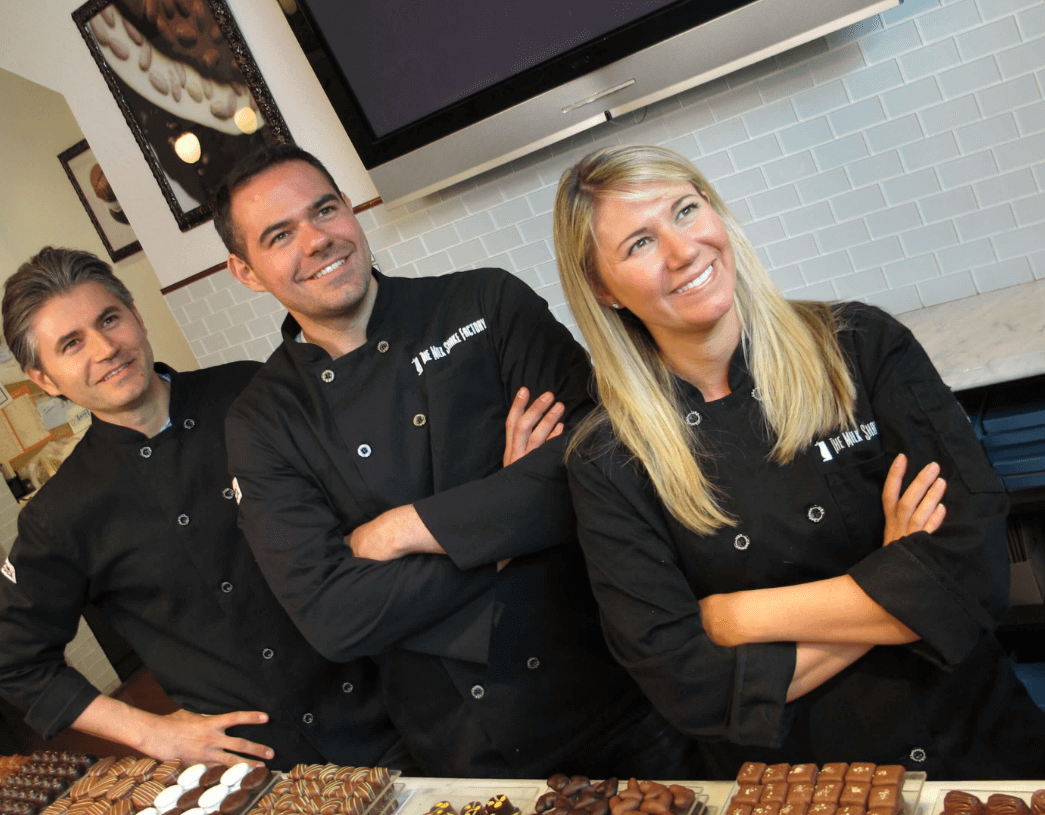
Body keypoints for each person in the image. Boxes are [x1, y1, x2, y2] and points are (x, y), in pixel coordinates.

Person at [553, 144, 1045, 778]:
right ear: (603, 290)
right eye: (638, 243)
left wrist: (738, 615)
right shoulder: (610, 458)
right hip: (800, 795)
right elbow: (687, 683)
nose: (682, 250)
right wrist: (899, 581)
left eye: (686, 210)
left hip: (972, 739)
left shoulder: (860, 346)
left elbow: (976, 576)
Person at [218, 144, 692, 778]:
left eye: (324, 209)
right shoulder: (263, 421)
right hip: (464, 745)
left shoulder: (486, 305)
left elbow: (601, 466)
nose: (317, 239)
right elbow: (334, 616)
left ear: (352, 210)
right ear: (246, 272)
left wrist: (405, 529)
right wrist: (505, 516)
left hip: (620, 686)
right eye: (279, 235)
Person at [0, 246, 400, 769]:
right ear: (44, 378)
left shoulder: (254, 391)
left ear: (136, 316)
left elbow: (378, 480)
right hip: (255, 766)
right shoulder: (61, 513)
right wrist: (151, 733)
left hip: (393, 702)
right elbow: (12, 660)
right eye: (71, 344)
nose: (106, 348)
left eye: (110, 319)